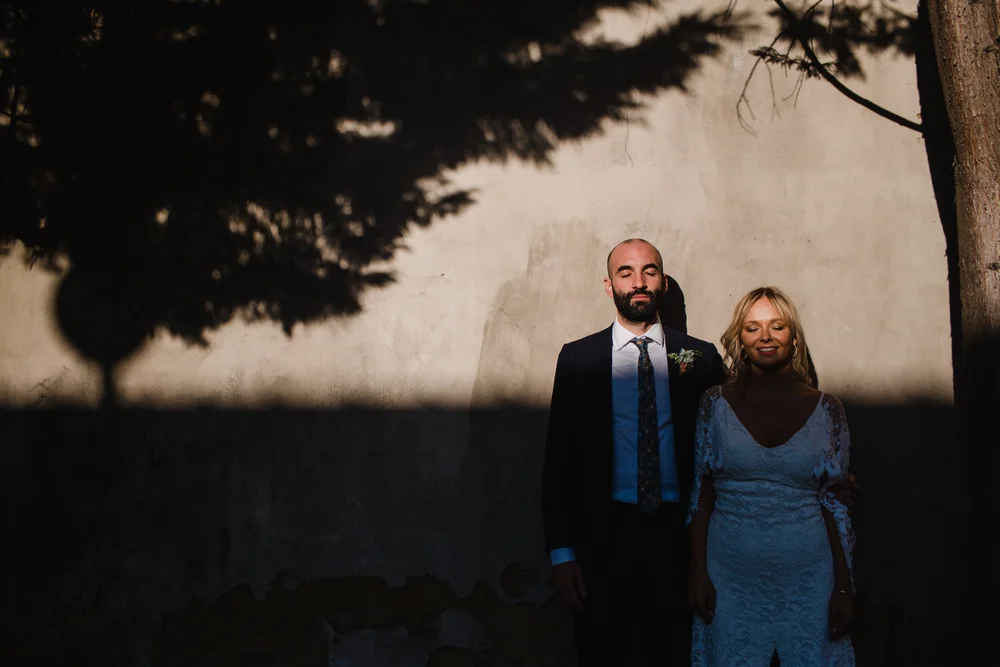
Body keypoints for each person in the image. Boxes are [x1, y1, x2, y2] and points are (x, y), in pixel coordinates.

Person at [542, 238, 726, 666]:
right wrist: (562, 553)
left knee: (677, 653)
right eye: (626, 272)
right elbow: (559, 461)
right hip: (601, 539)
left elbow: (725, 452)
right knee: (602, 654)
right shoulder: (578, 358)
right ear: (609, 286)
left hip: (678, 539)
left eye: (649, 271)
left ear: (662, 283)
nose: (638, 282)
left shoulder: (699, 358)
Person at [687, 286, 856, 666]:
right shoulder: (713, 404)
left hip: (810, 580)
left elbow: (836, 504)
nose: (765, 336)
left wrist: (844, 587)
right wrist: (697, 572)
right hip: (729, 577)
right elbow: (702, 494)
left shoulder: (828, 410)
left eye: (777, 326)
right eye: (752, 328)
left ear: (793, 337)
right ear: (740, 340)